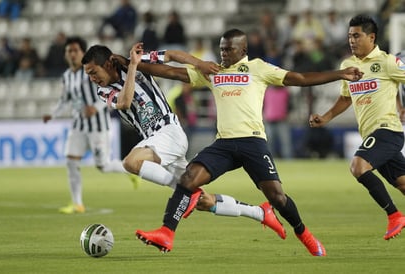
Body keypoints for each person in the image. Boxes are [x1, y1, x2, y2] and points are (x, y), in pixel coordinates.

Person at [134, 28, 363, 256]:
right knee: (188, 179)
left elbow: (299, 78)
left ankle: (304, 234)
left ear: (243, 49)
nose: (223, 54)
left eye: (228, 49)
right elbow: (170, 72)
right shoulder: (213, 71)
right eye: (221, 49)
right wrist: (130, 64)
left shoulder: (258, 68)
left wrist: (340, 74)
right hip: (224, 144)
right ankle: (166, 233)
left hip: (253, 142)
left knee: (277, 197)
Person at [81, 44, 287, 239]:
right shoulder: (104, 90)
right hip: (156, 142)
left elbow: (171, 55)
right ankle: (260, 213)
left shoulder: (134, 60)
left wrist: (199, 64)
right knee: (203, 201)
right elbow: (124, 102)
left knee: (130, 162)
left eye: (93, 72)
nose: (92, 79)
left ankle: (187, 191)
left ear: (107, 64)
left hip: (168, 131)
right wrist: (133, 66)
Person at [309, 15, 405, 240]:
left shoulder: (387, 62)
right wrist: (326, 117)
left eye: (357, 35)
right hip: (372, 134)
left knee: (358, 166)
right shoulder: (347, 66)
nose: (351, 40)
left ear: (371, 37)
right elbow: (345, 98)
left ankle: (394, 215)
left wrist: (401, 105)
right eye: (350, 36)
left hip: (387, 131)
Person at [42, 36, 134, 214]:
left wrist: (96, 107)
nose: (72, 54)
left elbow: (109, 91)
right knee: (71, 160)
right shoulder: (67, 76)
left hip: (98, 126)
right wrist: (52, 114)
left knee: (103, 166)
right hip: (78, 125)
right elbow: (65, 101)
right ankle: (77, 203)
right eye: (69, 51)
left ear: (82, 53)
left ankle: (128, 169)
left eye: (75, 50)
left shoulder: (91, 73)